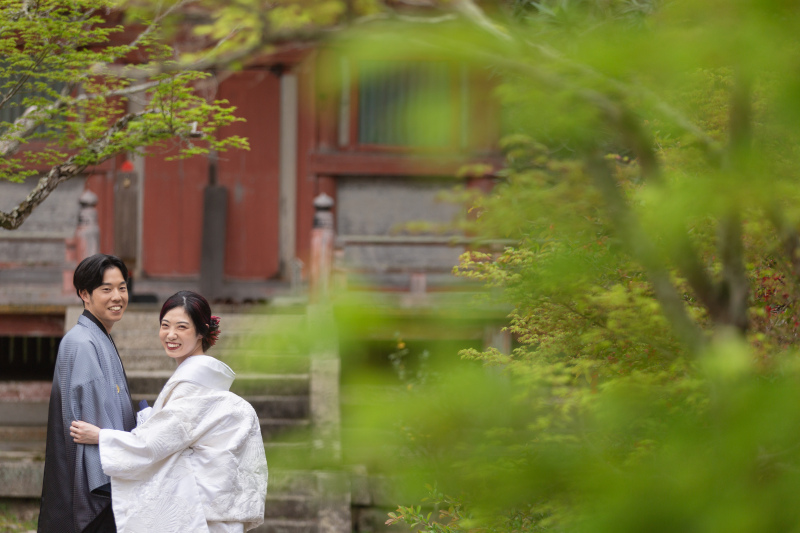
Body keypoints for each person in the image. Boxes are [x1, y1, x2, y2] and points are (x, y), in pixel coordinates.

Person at [70, 290, 268, 533]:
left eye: (182, 327)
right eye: (165, 325)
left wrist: (100, 437)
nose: (170, 335)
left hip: (201, 514)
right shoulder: (201, 379)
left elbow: (153, 443)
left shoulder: (192, 386)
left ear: (201, 332)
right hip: (209, 508)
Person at [38, 253, 135, 533]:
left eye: (122, 287)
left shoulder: (95, 336)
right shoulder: (82, 343)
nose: (117, 296)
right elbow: (91, 425)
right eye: (106, 289)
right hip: (95, 493)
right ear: (85, 294)